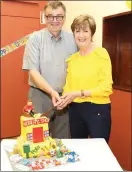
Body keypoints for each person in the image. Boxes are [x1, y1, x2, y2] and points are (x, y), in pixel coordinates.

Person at [22, 1, 77, 138]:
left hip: (64, 98)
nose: (55, 20)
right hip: (39, 96)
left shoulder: (73, 39)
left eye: (59, 16)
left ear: (64, 18)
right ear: (45, 18)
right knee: (36, 138)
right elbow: (33, 72)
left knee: (63, 140)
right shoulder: (35, 38)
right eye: (50, 16)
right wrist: (52, 92)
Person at [57, 14, 113, 143]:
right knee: (79, 150)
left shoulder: (101, 54)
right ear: (74, 34)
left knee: (98, 152)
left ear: (92, 33)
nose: (81, 35)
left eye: (85, 31)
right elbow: (68, 87)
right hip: (75, 109)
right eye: (77, 31)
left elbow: (106, 87)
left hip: (97, 109)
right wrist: (63, 100)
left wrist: (79, 93)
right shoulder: (72, 59)